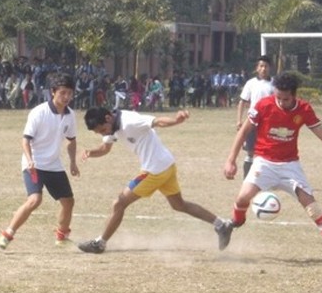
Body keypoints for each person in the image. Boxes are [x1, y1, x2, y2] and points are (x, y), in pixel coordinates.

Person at [221, 73, 322, 262]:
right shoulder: (264, 105)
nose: (282, 102)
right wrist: (231, 160)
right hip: (264, 163)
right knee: (242, 198)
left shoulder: (304, 109)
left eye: (286, 99)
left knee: (313, 208)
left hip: (290, 166)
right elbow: (243, 132)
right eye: (278, 98)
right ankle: (234, 223)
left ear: (294, 95)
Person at [77, 106, 232, 254]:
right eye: (99, 133)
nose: (103, 133)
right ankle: (221, 224)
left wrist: (176, 121)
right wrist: (90, 152)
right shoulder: (113, 126)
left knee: (119, 203)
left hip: (154, 170)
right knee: (179, 205)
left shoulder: (130, 121)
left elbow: (157, 121)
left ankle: (100, 243)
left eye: (103, 130)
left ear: (108, 118)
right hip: (166, 165)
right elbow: (105, 148)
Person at [0, 74, 80, 249]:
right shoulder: (39, 112)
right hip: (33, 165)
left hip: (54, 165)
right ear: (53, 92)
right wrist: (30, 160)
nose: (66, 97)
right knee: (35, 200)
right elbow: (25, 140)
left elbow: (71, 140)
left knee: (68, 201)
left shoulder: (70, 115)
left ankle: (61, 236)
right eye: (62, 93)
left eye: (69, 93)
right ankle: (7, 234)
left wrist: (72, 162)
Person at [235, 55, 273, 178]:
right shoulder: (251, 83)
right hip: (252, 122)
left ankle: (266, 178)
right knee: (250, 152)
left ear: (270, 68)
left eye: (266, 66)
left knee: (268, 152)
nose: (263, 69)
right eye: (261, 66)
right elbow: (242, 102)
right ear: (257, 68)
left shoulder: (275, 84)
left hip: (269, 123)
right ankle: (247, 178)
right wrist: (239, 120)